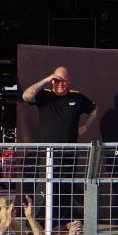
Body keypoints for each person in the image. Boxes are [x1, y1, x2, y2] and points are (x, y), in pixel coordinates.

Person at [21, 66, 98, 221]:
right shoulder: (44, 95)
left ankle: (60, 223)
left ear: (69, 81)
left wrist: (86, 126)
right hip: (48, 153)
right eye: (57, 80)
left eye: (64, 81)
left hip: (69, 152)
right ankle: (36, 224)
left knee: (64, 187)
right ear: (52, 81)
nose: (61, 84)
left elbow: (94, 109)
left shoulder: (77, 98)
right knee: (44, 187)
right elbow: (26, 96)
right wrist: (46, 80)